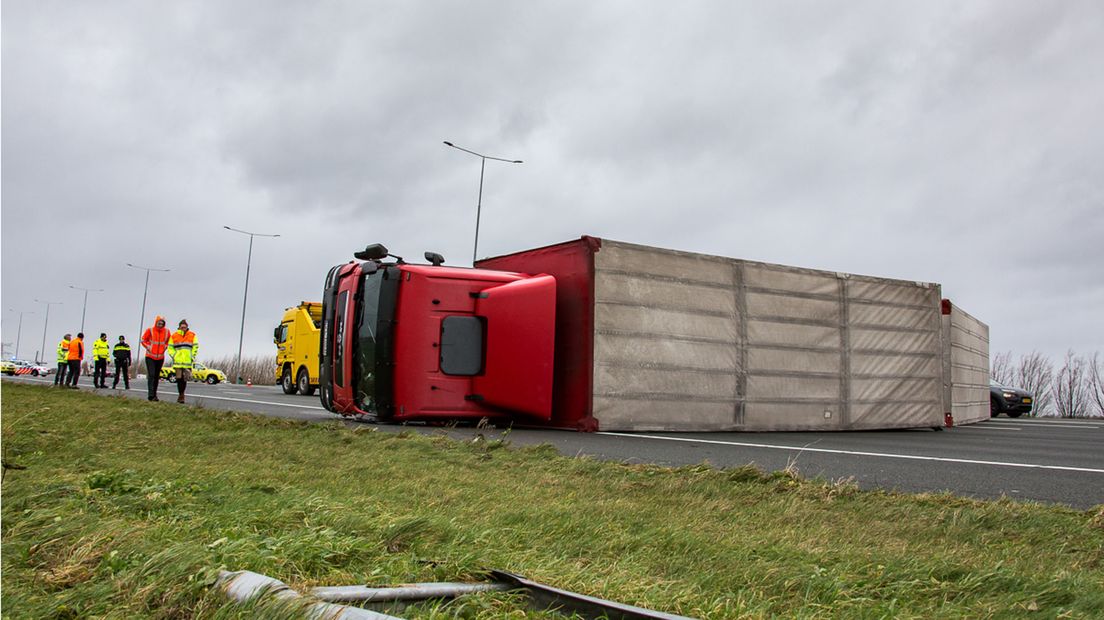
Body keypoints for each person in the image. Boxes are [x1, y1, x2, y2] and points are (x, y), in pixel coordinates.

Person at [167, 319, 198, 404]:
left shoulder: (192, 335)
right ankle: (181, 395)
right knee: (179, 379)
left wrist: (192, 356)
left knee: (185, 380)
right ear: (179, 327)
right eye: (182, 327)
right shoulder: (174, 336)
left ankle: (182, 395)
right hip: (178, 362)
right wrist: (174, 355)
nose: (183, 328)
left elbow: (195, 346)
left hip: (187, 361)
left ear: (187, 327)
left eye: (184, 327)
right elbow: (170, 347)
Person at [141, 316, 171, 401]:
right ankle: (150, 395)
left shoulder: (167, 332)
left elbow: (169, 341)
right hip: (150, 356)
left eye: (162, 324)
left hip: (160, 357)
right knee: (152, 375)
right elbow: (143, 340)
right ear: (156, 322)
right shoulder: (150, 330)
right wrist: (148, 347)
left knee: (157, 376)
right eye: (159, 323)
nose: (160, 325)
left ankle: (155, 394)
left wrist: (165, 347)